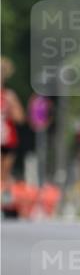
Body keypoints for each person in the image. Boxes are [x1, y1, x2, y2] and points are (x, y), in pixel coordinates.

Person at [1, 57, 25, 216]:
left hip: (8, 138)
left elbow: (21, 118)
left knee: (5, 173)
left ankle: (6, 203)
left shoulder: (9, 95)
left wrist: (10, 108)